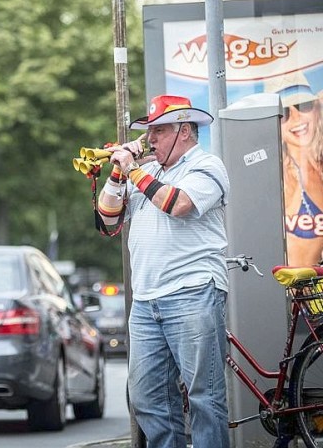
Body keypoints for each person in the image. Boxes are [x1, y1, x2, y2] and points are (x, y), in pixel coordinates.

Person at [97, 94, 230, 448]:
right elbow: (107, 219)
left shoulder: (206, 166)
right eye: (149, 132)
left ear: (184, 131)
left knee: (204, 397)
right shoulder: (149, 172)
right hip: (146, 300)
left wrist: (133, 169)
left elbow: (177, 204)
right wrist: (115, 172)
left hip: (193, 291)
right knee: (147, 399)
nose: (150, 139)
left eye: (159, 130)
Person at [265, 70, 323, 267]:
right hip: (299, 294)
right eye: (285, 114)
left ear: (316, 108)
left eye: (303, 105)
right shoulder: (278, 178)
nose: (297, 118)